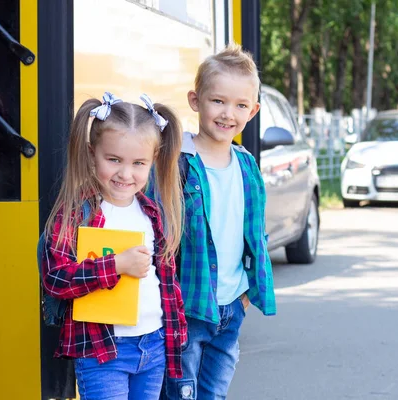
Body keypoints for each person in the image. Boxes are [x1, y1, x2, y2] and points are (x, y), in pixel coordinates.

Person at [41, 92, 188, 400]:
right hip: (102, 351)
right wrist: (117, 265)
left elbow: (166, 284)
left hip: (153, 344)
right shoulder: (78, 212)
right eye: (114, 160)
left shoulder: (153, 213)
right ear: (93, 153)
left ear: (153, 161)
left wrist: (174, 335)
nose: (125, 173)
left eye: (138, 163)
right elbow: (55, 279)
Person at [161, 44, 276, 399]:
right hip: (187, 307)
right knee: (180, 393)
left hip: (231, 305)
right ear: (195, 100)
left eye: (241, 105)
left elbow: (255, 233)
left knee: (214, 394)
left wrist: (244, 295)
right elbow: (157, 235)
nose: (229, 113)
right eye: (218, 101)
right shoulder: (176, 163)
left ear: (253, 110)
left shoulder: (246, 165)